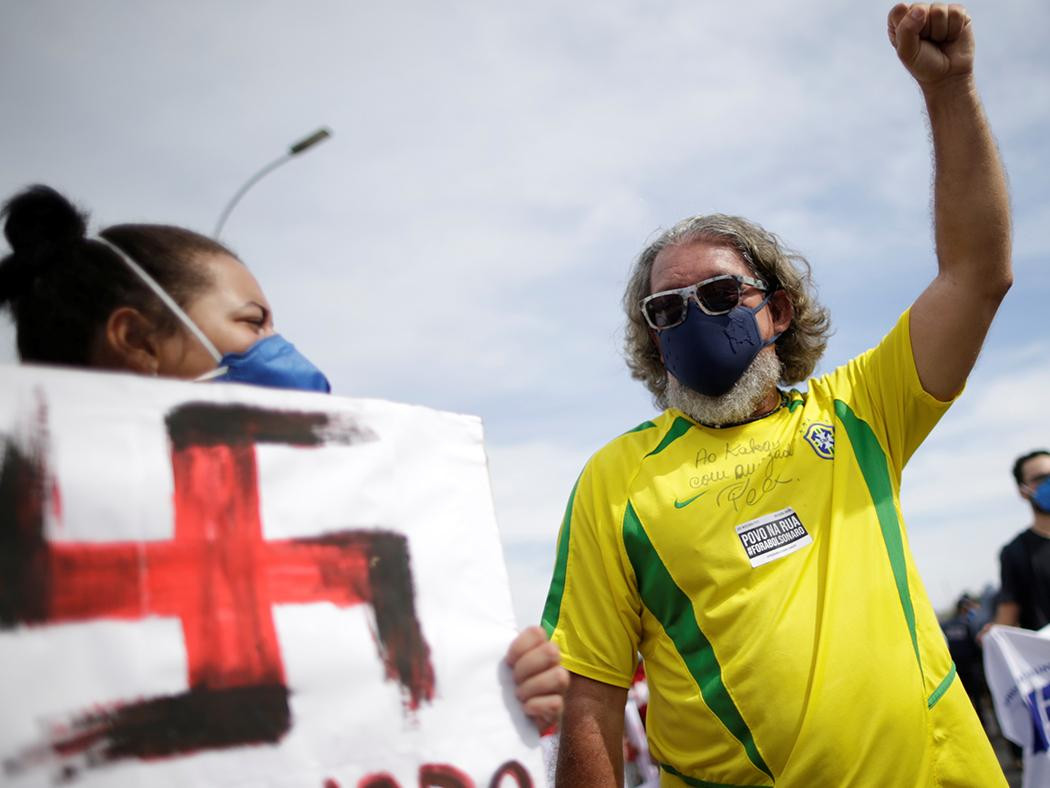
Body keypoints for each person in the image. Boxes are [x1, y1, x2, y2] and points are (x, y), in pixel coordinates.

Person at [542, 4, 1011, 785]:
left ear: (778, 309)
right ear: (652, 337)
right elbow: (588, 691)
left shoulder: (860, 412)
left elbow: (976, 274)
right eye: (668, 309)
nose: (694, 317)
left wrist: (951, 90)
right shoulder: (616, 482)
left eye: (722, 294)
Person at [0, 183, 569, 731]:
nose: (286, 353)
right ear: (138, 341)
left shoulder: (332, 524)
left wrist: (496, 696)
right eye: (253, 323)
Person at [992, 450, 1050, 631]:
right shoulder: (1015, 553)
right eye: (1039, 479)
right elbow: (1007, 618)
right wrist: (994, 636)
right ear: (1023, 491)